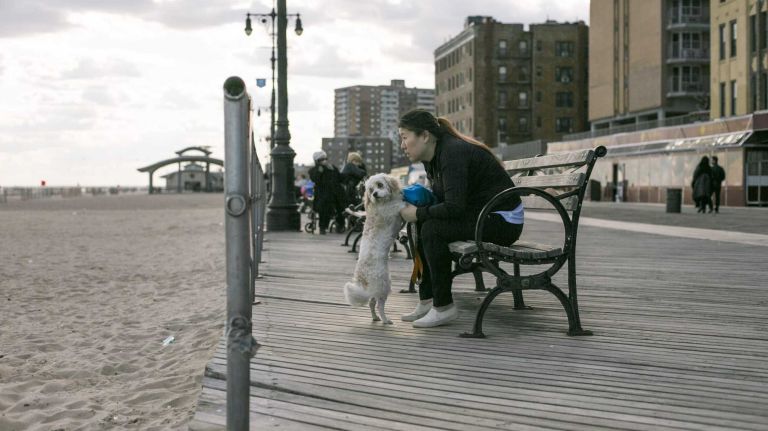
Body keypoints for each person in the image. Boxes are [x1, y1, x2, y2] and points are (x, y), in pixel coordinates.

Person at [397, 109, 524, 328]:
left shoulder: (452, 152)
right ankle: (427, 300)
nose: (402, 145)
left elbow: (454, 207)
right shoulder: (435, 156)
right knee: (424, 224)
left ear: (425, 136)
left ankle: (444, 307)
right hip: (481, 215)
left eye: (405, 137)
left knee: (432, 229)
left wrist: (418, 213)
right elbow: (447, 202)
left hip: (503, 221)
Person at [308, 150, 345, 234]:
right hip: (323, 194)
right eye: (322, 159)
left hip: (335, 192)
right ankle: (323, 227)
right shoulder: (314, 170)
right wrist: (319, 171)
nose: (324, 160)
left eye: (325, 159)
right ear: (317, 161)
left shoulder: (332, 168)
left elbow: (340, 178)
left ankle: (340, 225)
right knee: (324, 208)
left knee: (340, 207)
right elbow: (315, 179)